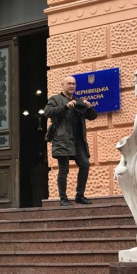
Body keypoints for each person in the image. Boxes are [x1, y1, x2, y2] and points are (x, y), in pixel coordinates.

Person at [44, 76, 98, 206]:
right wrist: (65, 107)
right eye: (69, 83)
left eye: (74, 84)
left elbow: (92, 116)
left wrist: (89, 107)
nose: (72, 86)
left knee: (85, 165)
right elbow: (48, 112)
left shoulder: (78, 100)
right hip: (62, 139)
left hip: (78, 141)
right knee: (64, 170)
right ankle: (63, 198)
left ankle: (80, 195)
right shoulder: (55, 99)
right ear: (62, 85)